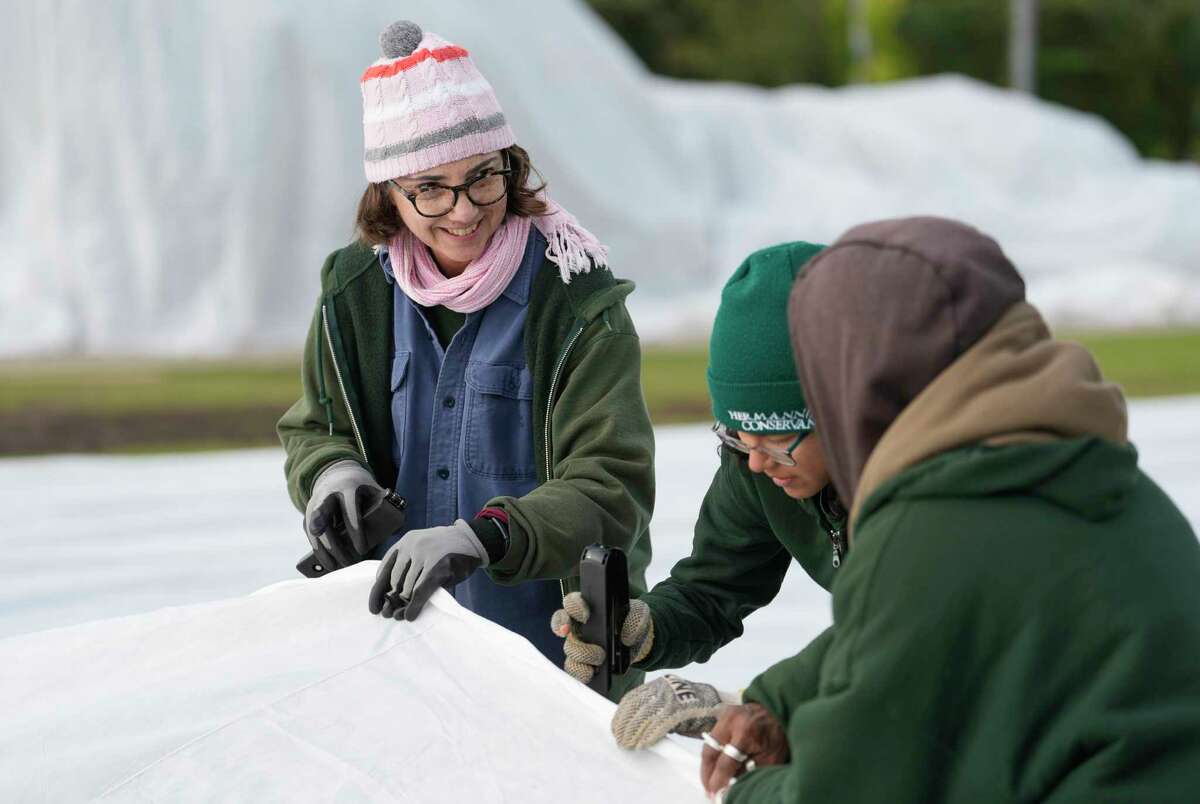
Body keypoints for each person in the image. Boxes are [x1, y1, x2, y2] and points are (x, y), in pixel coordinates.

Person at [702, 216, 1200, 801]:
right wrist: (779, 702)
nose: (758, 464)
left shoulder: (935, 529)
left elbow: (850, 790)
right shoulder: (1099, 482)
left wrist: (740, 792)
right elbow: (915, 629)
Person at [276, 20, 654, 701]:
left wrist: (484, 538)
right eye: (431, 188)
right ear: (388, 192)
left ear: (511, 166)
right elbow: (316, 429)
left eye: (484, 177)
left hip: (561, 667)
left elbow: (610, 490)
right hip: (402, 662)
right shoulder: (354, 292)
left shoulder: (576, 299)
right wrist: (333, 476)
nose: (464, 210)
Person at [551, 241, 849, 741]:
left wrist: (747, 707)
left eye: (775, 441)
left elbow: (904, 638)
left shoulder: (930, 483)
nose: (756, 463)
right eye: (736, 436)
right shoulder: (757, 465)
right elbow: (716, 588)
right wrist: (644, 629)